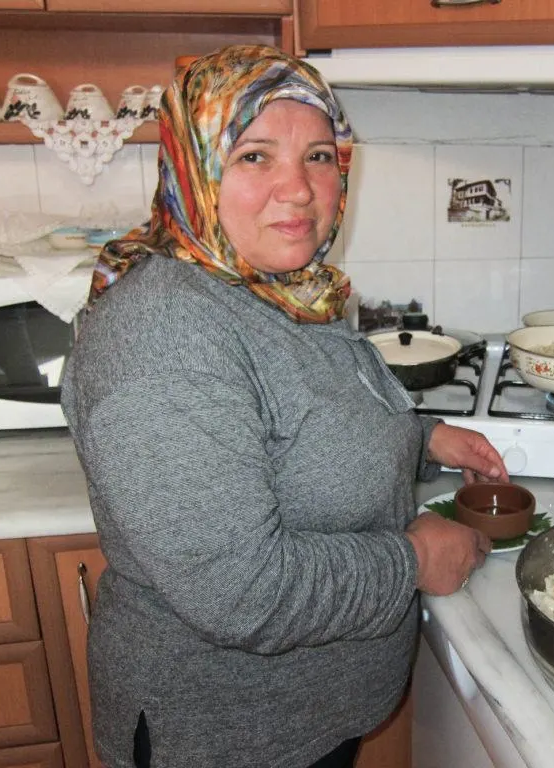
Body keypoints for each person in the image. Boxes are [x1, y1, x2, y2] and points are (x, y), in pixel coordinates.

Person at [61, 44, 509, 768]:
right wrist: (412, 561)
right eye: (254, 157)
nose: (298, 190)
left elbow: (301, 414)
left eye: (320, 157)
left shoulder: (282, 288)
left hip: (303, 719)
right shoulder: (165, 331)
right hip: (224, 735)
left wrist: (421, 436)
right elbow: (243, 592)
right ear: (193, 167)